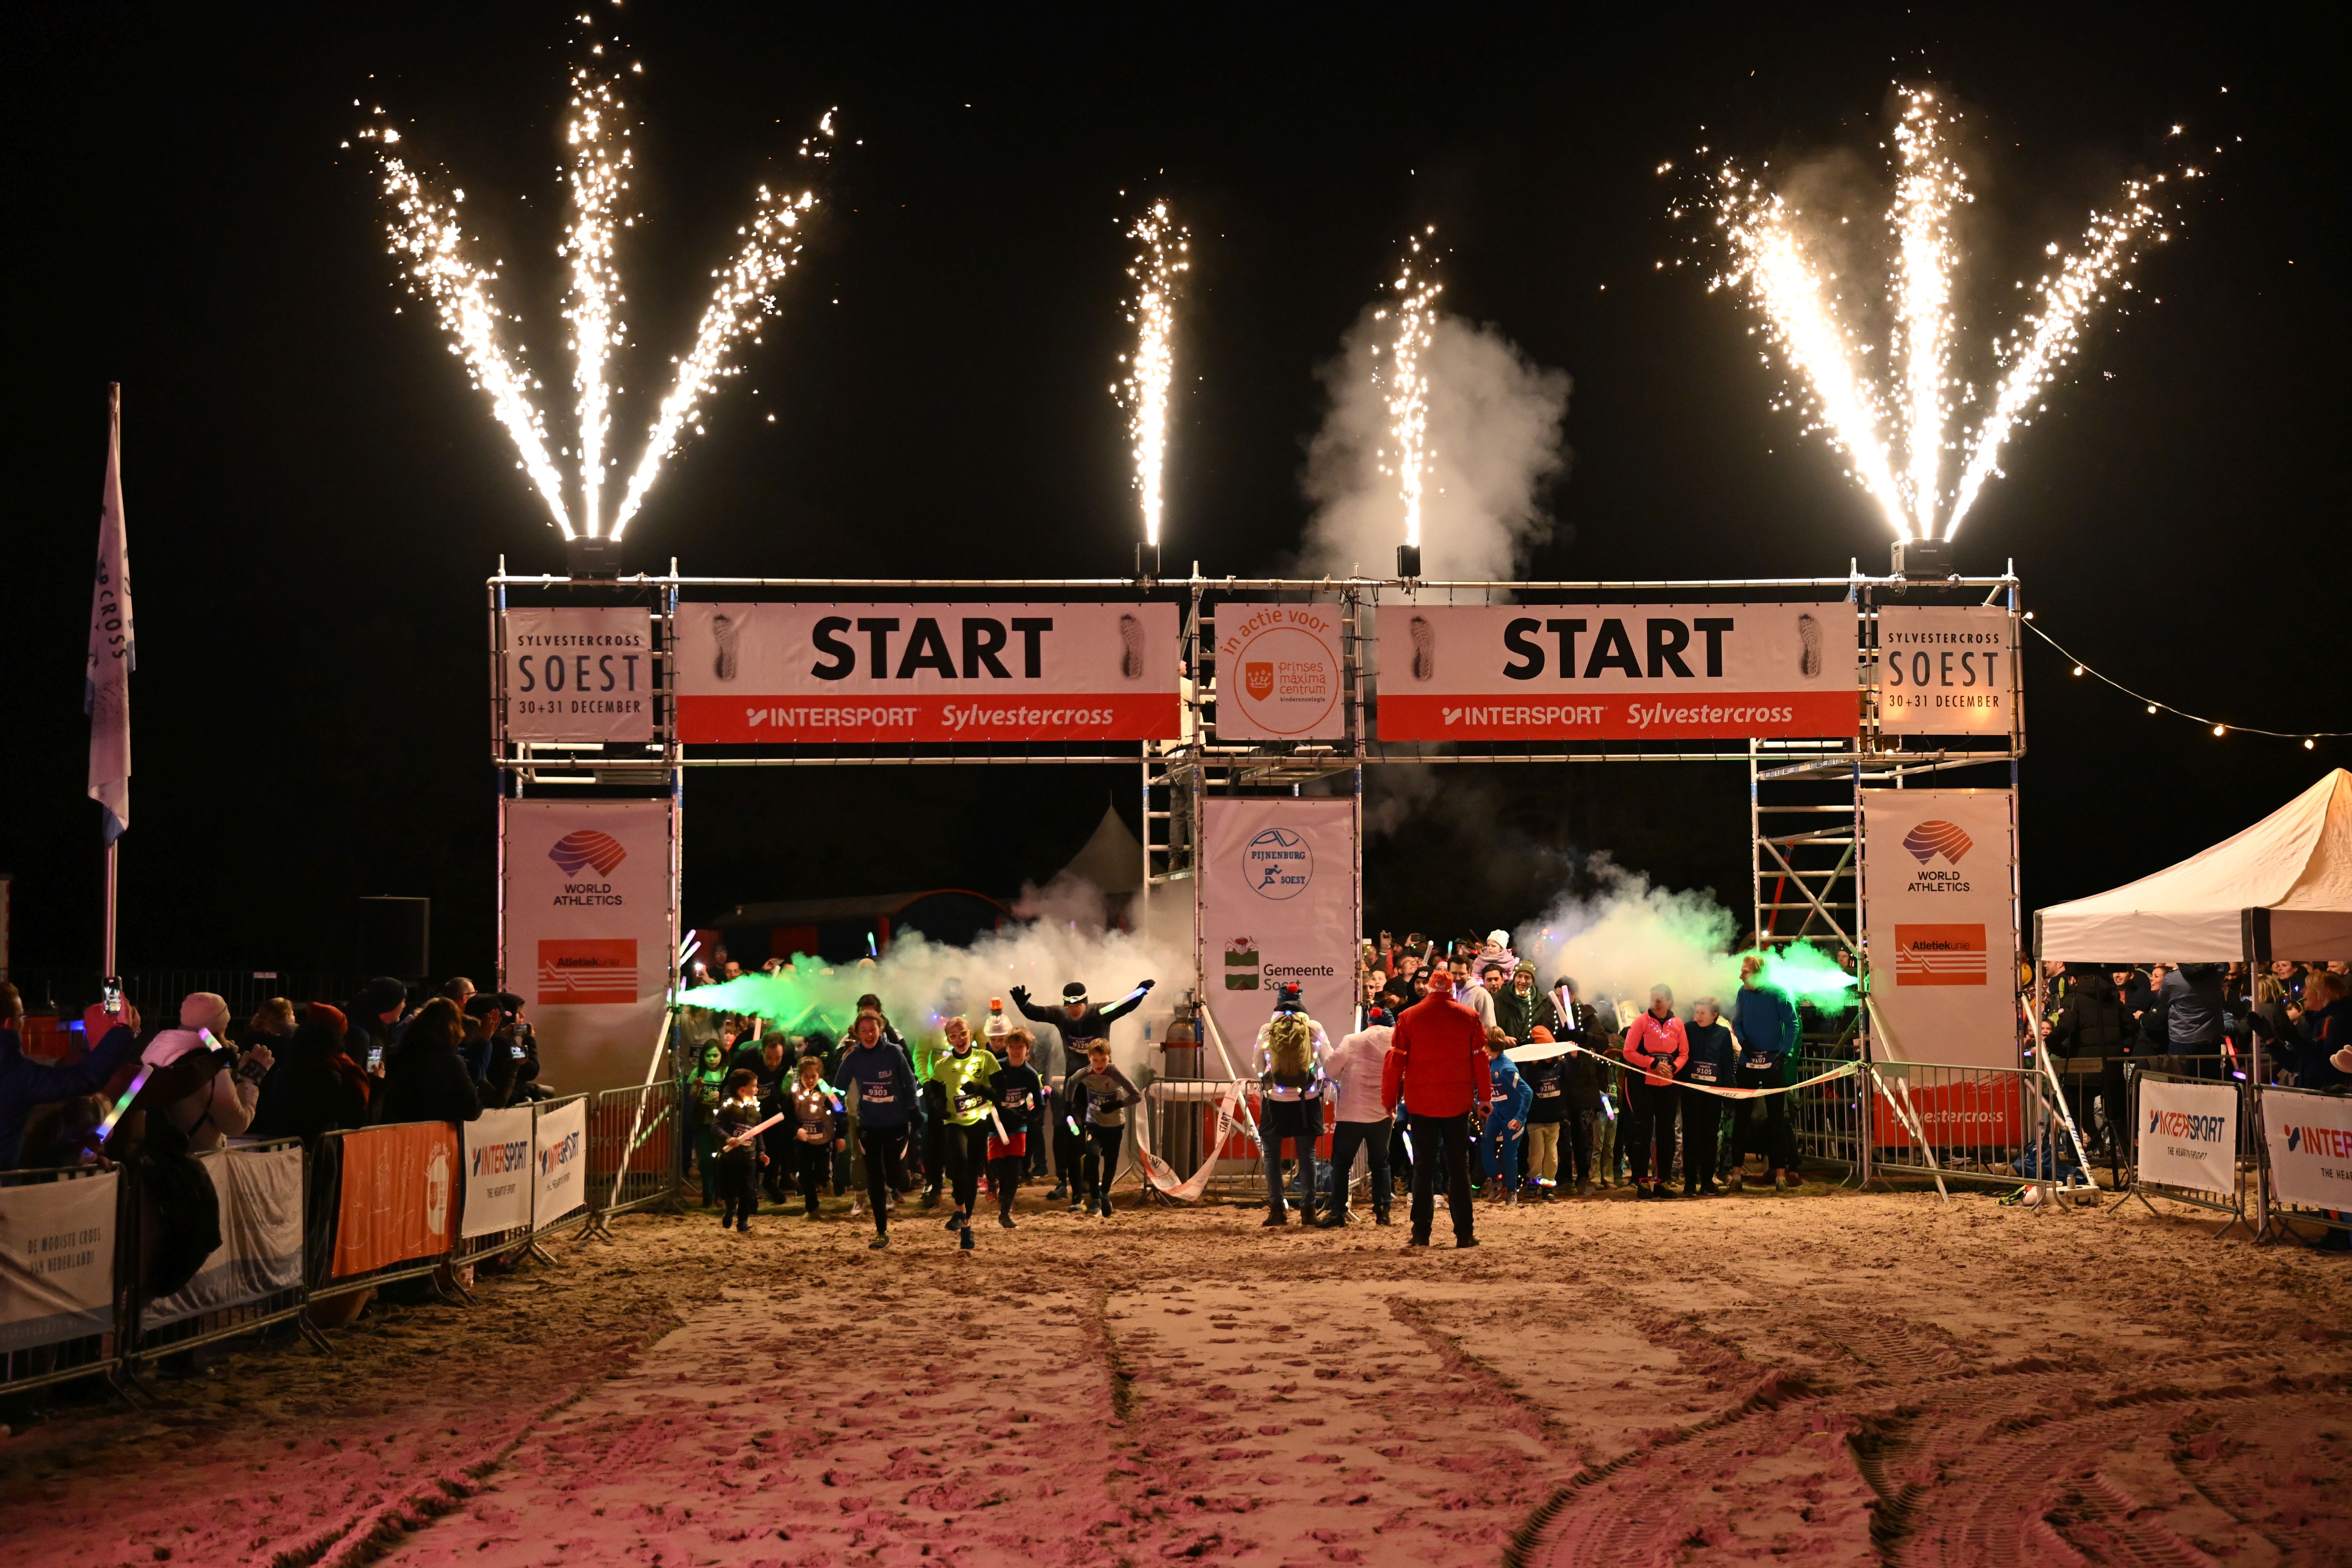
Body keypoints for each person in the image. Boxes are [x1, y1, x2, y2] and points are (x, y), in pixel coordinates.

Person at [1010, 976, 1154, 1198]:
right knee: (1065, 1129)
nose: (1074, 1010)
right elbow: (1037, 1013)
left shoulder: (1099, 1013)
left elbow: (1124, 1005)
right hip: (1075, 1084)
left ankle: (1092, 1182)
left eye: (1078, 1005)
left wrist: (1140, 992)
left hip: (1101, 1087)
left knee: (1098, 1134)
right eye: (1069, 1006)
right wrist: (1024, 1004)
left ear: (1086, 1003)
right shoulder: (1061, 1015)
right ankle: (1063, 1181)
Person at [1383, 968, 1488, 1248]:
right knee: (1459, 1168)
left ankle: (1421, 1233)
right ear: (1452, 990)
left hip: (1421, 1102)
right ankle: (1464, 1233)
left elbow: (1396, 1062)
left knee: (1423, 1167)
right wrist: (1485, 1098)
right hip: (1457, 1102)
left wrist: (1390, 1100)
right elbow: (1481, 1060)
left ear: (1430, 988)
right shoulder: (1470, 1017)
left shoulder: (1408, 1017)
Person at [2, 985, 142, 1168]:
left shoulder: (56, 1066)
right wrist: (125, 1032)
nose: (24, 1022)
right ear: (8, 1024)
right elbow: (87, 1077)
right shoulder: (17, 1073)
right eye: (22, 1017)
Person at [143, 992, 271, 1152]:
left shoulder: (156, 1049)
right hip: (196, 1159)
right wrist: (249, 1081)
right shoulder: (209, 1066)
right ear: (222, 1026)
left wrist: (227, 1063)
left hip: (151, 1154)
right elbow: (235, 1124)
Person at [833, 1009, 918, 1248]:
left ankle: (900, 1176)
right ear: (857, 1033)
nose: (869, 1034)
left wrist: (913, 1108)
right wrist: (836, 1111)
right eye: (864, 1031)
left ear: (881, 1029)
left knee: (895, 1178)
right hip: (868, 1125)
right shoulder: (854, 1057)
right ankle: (882, 1232)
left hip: (896, 1123)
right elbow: (838, 1087)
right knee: (875, 1179)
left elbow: (909, 1081)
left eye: (873, 1029)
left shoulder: (894, 1052)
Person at [1252, 987, 1331, 1227]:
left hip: (1274, 1102)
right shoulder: (1313, 1027)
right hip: (1306, 1101)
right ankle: (1308, 1212)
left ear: (1278, 1002)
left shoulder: (1267, 1028)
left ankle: (1278, 1210)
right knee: (1307, 1157)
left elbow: (1257, 1064)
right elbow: (1328, 1061)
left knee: (1272, 1156)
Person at [248, 1003, 370, 1147]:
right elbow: (352, 1118)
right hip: (314, 1149)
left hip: (278, 1137)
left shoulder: (293, 1059)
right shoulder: (326, 1071)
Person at [1727, 956, 1800, 1191]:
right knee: (1741, 1118)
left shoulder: (1778, 994)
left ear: (1759, 974)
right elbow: (1737, 1021)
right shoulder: (1743, 992)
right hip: (1748, 1060)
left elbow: (1793, 1024)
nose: (1741, 976)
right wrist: (1743, 1041)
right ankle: (1736, 1176)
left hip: (1772, 1061)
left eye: (1745, 972)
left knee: (1777, 1119)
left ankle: (1780, 1176)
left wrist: (1784, 1054)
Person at [1320, 1005, 1395, 1227]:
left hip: (1352, 1112)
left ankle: (1338, 1212)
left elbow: (1330, 1069)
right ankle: (1383, 1211)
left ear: (1370, 1024)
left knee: (1342, 1164)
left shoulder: (1353, 1040)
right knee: (1381, 1163)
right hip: (1382, 1112)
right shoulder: (1397, 1041)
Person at [931, 1015, 1000, 1250]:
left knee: (972, 1173)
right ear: (948, 1040)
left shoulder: (986, 1058)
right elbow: (933, 1091)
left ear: (971, 1034)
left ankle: (966, 1224)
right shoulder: (942, 1066)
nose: (960, 1039)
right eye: (954, 1036)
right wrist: (938, 1105)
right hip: (955, 1122)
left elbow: (1000, 1092)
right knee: (959, 1162)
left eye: (963, 1034)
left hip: (980, 1121)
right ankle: (960, 1209)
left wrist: (980, 1088)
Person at [1622, 985, 1688, 1200]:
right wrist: (1652, 1063)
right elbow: (1628, 1052)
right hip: (1642, 1084)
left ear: (1670, 1002)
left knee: (1667, 1133)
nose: (1656, 1003)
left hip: (1668, 1085)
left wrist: (1674, 1067)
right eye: (1653, 999)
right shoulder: (1641, 1022)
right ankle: (1641, 1180)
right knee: (1642, 1131)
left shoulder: (1678, 1024)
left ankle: (1663, 1180)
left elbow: (1684, 1053)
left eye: (1660, 1000)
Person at [372, 997, 481, 1127]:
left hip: (396, 1132)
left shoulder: (395, 1056)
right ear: (454, 1029)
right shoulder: (451, 1064)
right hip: (432, 1135)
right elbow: (471, 1109)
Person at [1065, 1040, 1142, 1218]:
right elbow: (1071, 1082)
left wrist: (1117, 1104)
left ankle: (1105, 1193)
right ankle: (1095, 1200)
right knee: (1092, 1158)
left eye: (1104, 1060)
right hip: (1094, 1124)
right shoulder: (1085, 1072)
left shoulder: (1115, 1073)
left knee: (1110, 1163)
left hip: (1115, 1126)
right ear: (1089, 1058)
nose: (1099, 1065)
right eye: (1095, 1060)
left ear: (1110, 1058)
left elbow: (1137, 1095)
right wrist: (1068, 1105)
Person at [987, 1029, 1045, 1229]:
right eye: (1012, 1047)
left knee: (1013, 1171)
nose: (1016, 1051)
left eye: (1020, 1047)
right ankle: (995, 1186)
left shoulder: (1030, 1074)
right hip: (996, 1124)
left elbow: (1040, 1105)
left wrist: (1027, 1119)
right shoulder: (997, 1068)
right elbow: (986, 1092)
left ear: (1028, 1049)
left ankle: (1005, 1213)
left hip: (1018, 1127)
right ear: (1007, 1048)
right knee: (998, 1168)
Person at [1680, 998, 1736, 1197]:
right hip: (1691, 1092)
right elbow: (1682, 1056)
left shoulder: (1723, 1034)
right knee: (1690, 1137)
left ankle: (1706, 1182)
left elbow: (1727, 1064)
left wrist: (1728, 1094)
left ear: (1715, 1015)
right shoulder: (1688, 1029)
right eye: (1696, 1012)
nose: (1698, 1017)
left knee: (1710, 1138)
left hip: (1713, 1094)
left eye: (1703, 1013)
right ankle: (1689, 1184)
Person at [785, 1054, 845, 1220]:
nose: (810, 1080)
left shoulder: (827, 1092)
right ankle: (812, 1208)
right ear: (800, 1075)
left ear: (820, 1076)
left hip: (824, 1141)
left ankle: (826, 1182)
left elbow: (840, 1112)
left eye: (814, 1076)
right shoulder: (794, 1093)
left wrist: (841, 1135)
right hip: (803, 1142)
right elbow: (787, 1117)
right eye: (806, 1076)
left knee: (822, 1173)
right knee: (805, 1175)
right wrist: (797, 1130)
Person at [1477, 1029, 1533, 1204]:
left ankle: (1512, 1191)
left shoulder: (1506, 1068)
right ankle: (1497, 1179)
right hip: (1497, 1114)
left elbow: (1528, 1092)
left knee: (1509, 1154)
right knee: (1486, 1143)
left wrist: (1520, 1117)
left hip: (1512, 1117)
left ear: (1488, 1046)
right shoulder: (1491, 1063)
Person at [712, 1067, 767, 1233]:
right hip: (729, 1158)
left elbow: (758, 1133)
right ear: (742, 1090)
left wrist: (762, 1152)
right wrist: (728, 1138)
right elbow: (715, 1127)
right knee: (728, 1189)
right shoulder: (728, 1109)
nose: (757, 1090)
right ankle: (730, 1208)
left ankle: (743, 1221)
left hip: (749, 1158)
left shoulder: (755, 1111)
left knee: (748, 1191)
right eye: (754, 1086)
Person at [687, 1040, 730, 1206]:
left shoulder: (727, 1072)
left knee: (722, 1159)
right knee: (706, 1160)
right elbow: (692, 1097)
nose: (712, 1059)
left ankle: (720, 1195)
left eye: (715, 1055)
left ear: (722, 1056)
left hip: (723, 1123)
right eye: (708, 1055)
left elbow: (733, 1094)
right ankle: (708, 1196)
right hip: (704, 1121)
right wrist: (699, 1088)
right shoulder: (698, 1072)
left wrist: (721, 1095)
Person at [1494, 964, 1554, 1047]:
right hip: (1506, 1049)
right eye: (1519, 976)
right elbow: (1491, 1028)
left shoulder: (1543, 1003)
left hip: (1531, 1051)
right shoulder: (1500, 999)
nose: (1523, 981)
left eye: (1527, 977)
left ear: (1533, 980)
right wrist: (1502, 1038)